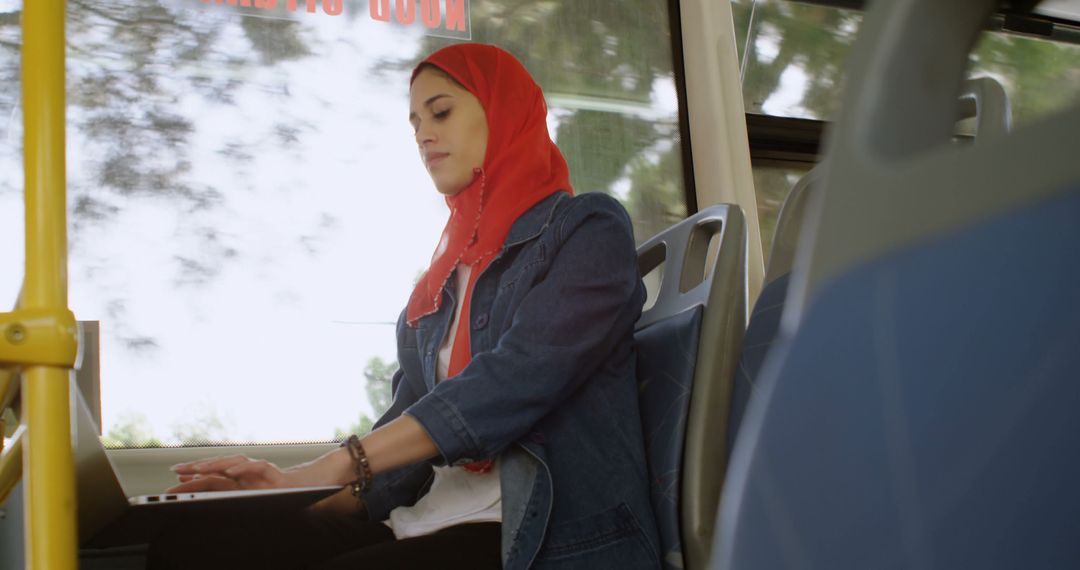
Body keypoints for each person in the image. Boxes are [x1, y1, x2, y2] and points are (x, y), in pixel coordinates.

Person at [149, 43, 660, 570]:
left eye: (440, 112)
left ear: (503, 110)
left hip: (537, 538)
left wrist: (330, 467)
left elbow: (513, 381)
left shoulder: (588, 229)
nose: (423, 134)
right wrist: (283, 492)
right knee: (192, 543)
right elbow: (405, 446)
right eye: (414, 122)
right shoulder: (441, 283)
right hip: (427, 519)